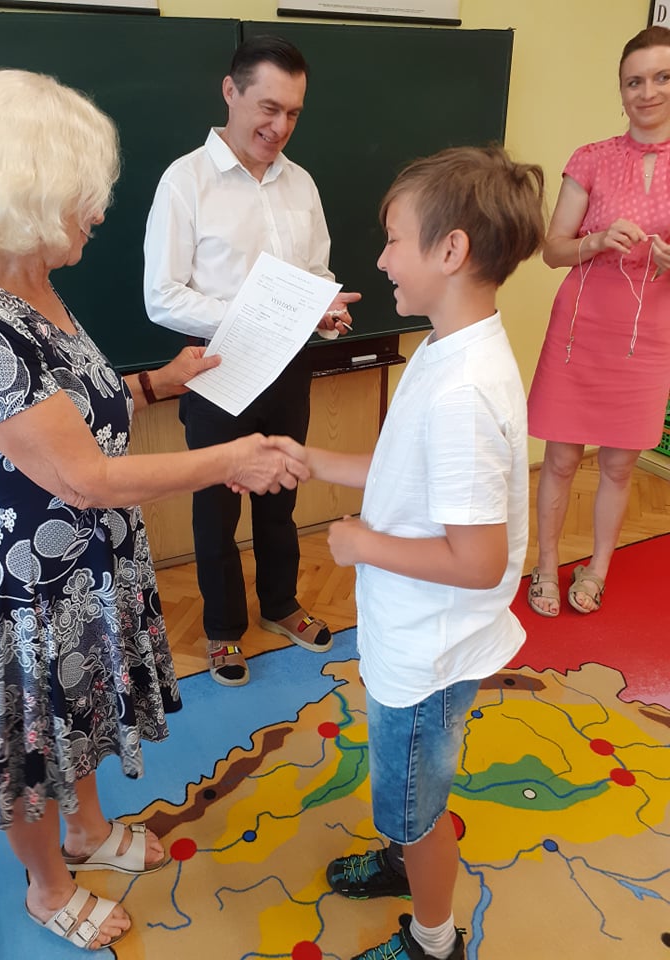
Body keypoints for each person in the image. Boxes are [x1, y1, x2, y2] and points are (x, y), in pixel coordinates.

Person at [0, 69, 307, 952]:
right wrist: (231, 458)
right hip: (27, 586)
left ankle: (85, 831)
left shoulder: (31, 279)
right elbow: (84, 479)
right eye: (84, 195)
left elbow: (70, 409)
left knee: (78, 717)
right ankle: (46, 888)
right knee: (35, 743)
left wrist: (157, 382)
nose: (100, 212)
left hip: (84, 564)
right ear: (25, 192)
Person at [273, 146, 545, 959]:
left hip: (430, 650)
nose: (384, 259)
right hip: (417, 634)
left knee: (416, 810)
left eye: (394, 240)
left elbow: (480, 561)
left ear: (451, 250)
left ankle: (434, 939)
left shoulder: (463, 391)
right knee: (411, 788)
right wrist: (314, 460)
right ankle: (402, 860)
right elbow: (403, 469)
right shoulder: (444, 348)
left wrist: (363, 544)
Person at [143, 35, 360, 687]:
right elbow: (162, 296)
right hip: (217, 373)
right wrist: (254, 314)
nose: (280, 126)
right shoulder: (185, 181)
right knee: (215, 507)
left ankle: (282, 604)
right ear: (230, 92)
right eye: (268, 107)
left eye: (293, 112)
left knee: (281, 492)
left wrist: (323, 309)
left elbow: (317, 272)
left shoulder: (301, 183)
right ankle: (221, 630)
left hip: (288, 368)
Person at [526, 25, 670, 618]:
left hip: (650, 335)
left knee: (618, 465)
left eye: (661, 78)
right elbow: (552, 249)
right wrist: (597, 240)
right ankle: (545, 566)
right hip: (580, 332)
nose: (647, 92)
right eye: (634, 81)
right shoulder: (590, 158)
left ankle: (598, 568)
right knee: (561, 459)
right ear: (620, 91)